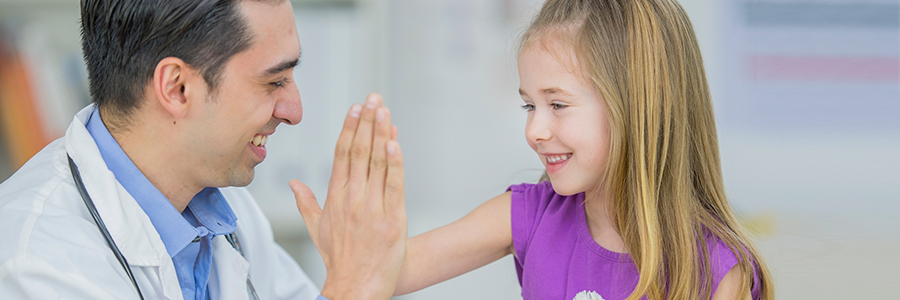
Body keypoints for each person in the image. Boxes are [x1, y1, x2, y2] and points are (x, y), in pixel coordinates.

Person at [0, 0, 406, 300]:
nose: (294, 112)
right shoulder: (35, 262)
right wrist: (351, 291)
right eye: (273, 82)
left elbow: (365, 274)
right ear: (177, 88)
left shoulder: (220, 214)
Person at [388, 0, 774, 299]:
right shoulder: (528, 216)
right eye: (529, 106)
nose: (534, 131)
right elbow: (389, 270)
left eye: (557, 105)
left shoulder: (719, 269)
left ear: (638, 106)